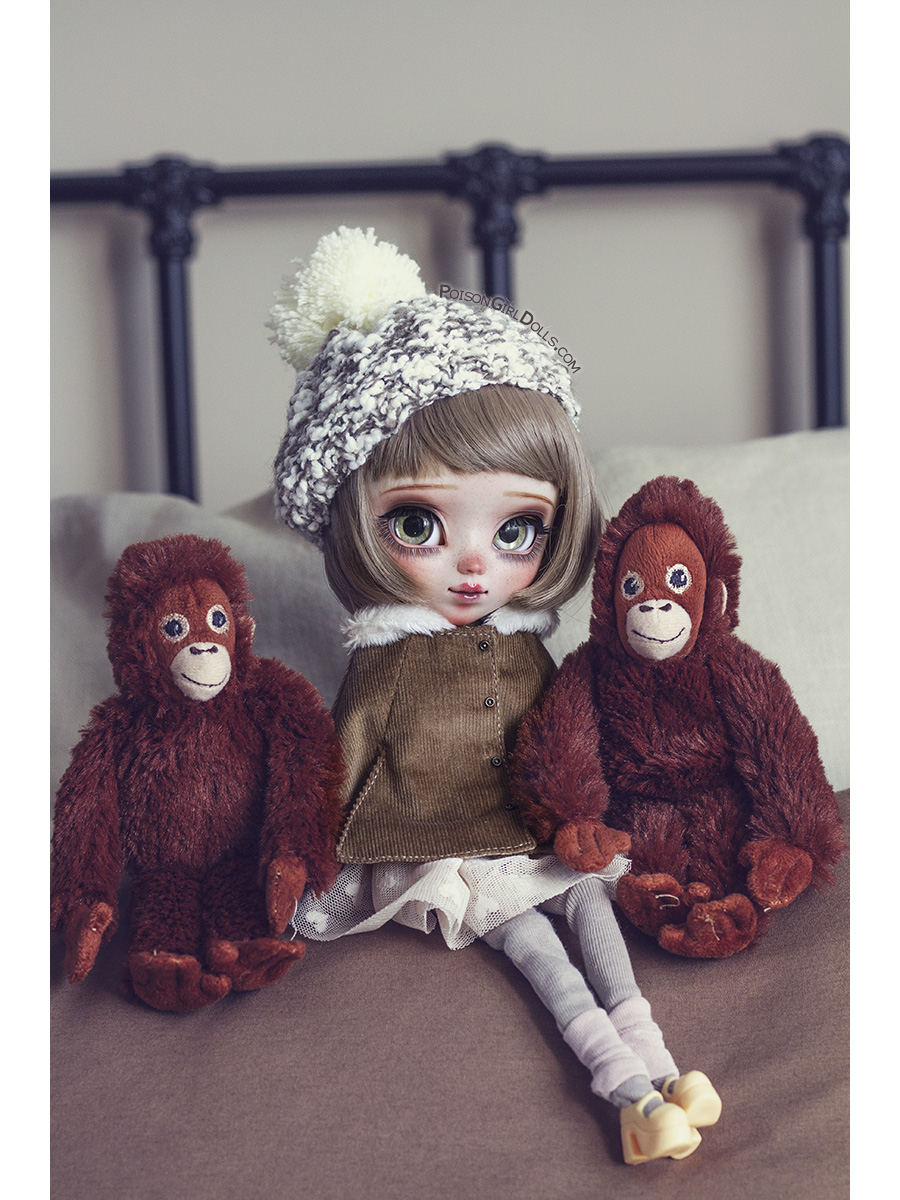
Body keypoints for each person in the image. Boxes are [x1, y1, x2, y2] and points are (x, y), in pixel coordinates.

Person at [269, 227, 721, 1165]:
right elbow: (341, 755)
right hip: (440, 838)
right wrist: (304, 844)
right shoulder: (385, 661)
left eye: (518, 530)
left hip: (535, 823)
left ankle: (661, 1061)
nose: (473, 566)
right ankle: (624, 1088)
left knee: (589, 900)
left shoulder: (524, 647)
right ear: (354, 521)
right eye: (418, 522)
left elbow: (566, 729)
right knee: (529, 939)